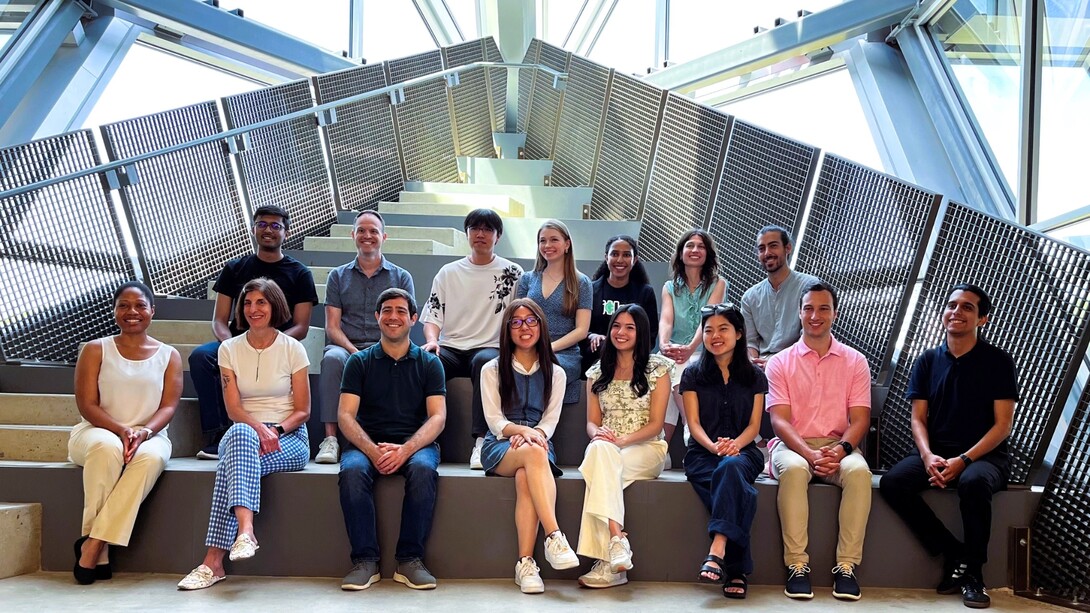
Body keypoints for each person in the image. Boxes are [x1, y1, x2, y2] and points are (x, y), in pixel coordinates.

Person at [879, 284, 1017, 609]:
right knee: (893, 482)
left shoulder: (998, 361)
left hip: (985, 457)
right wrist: (927, 456)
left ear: (982, 319)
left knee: (972, 482)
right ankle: (953, 551)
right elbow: (918, 419)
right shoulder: (927, 360)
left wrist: (964, 459)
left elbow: (1003, 426)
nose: (956, 312)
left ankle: (974, 574)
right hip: (936, 452)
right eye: (952, 305)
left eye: (967, 307)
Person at [178, 278, 311, 590]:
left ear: (275, 306)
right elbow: (234, 408)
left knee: (231, 467)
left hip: (289, 437)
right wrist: (258, 429)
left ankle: (213, 562)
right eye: (248, 303)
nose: (253, 309)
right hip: (245, 432)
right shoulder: (228, 349)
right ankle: (245, 531)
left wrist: (274, 430)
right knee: (240, 435)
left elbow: (303, 410)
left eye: (261, 303)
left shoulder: (293, 349)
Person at [69, 281, 183, 585]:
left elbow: (169, 407)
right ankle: (101, 552)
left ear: (152, 311)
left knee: (148, 460)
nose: (132, 312)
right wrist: (122, 431)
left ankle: (93, 544)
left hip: (151, 436)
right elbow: (86, 404)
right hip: (95, 432)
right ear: (114, 310)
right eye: (124, 305)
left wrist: (143, 432)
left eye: (140, 305)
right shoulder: (95, 349)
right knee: (107, 449)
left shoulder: (169, 355)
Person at [765, 280, 872, 601]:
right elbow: (779, 420)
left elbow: (860, 419)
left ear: (834, 314)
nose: (815, 315)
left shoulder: (856, 361)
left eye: (823, 308)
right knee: (796, 470)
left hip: (840, 445)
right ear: (799, 313)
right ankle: (797, 565)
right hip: (792, 446)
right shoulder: (780, 361)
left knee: (859, 473)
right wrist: (810, 455)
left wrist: (839, 450)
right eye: (809, 308)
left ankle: (846, 566)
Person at [337, 288, 446, 591]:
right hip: (367, 442)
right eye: (387, 310)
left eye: (401, 311)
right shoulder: (359, 362)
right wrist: (373, 451)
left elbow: (437, 416)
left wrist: (406, 449)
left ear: (413, 318)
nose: (393, 316)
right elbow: (345, 415)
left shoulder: (429, 363)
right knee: (352, 471)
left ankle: (410, 560)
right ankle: (365, 561)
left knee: (423, 469)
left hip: (416, 444)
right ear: (377, 317)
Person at [190, 205, 318, 459]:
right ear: (253, 229)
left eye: (275, 226)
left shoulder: (300, 273)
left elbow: (301, 327)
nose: (268, 230)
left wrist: (270, 345)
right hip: (237, 341)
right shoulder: (235, 268)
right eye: (261, 224)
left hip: (279, 345)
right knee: (200, 357)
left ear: (286, 233)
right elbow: (219, 321)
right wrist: (236, 347)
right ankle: (218, 434)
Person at [479, 298, 578, 594]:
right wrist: (522, 431)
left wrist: (535, 434)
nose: (525, 327)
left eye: (532, 320)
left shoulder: (556, 373)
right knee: (534, 454)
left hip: (538, 443)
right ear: (507, 329)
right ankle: (554, 535)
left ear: (542, 326)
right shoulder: (491, 369)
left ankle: (525, 564)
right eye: (517, 322)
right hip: (499, 446)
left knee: (527, 473)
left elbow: (550, 421)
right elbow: (495, 420)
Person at [420, 208, 523, 470]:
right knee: (429, 363)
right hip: (451, 347)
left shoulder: (512, 273)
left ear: (497, 237)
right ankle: (426, 439)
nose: (480, 234)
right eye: (475, 228)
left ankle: (480, 442)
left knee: (484, 363)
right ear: (467, 233)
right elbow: (433, 315)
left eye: (488, 229)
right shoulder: (448, 272)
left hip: (489, 347)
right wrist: (433, 340)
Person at [577, 304, 671, 589]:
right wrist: (601, 434)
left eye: (630, 327)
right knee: (599, 452)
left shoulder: (659, 368)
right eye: (617, 326)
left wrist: (621, 441)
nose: (621, 332)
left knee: (601, 467)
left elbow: (657, 424)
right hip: (608, 447)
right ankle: (617, 543)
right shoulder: (596, 372)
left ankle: (608, 561)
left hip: (647, 447)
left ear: (641, 332)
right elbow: (591, 424)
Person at [682, 303, 766, 599]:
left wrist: (735, 446)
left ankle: (717, 547)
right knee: (732, 483)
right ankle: (737, 569)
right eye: (708, 330)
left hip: (744, 452)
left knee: (731, 469)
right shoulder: (692, 374)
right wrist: (716, 446)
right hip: (702, 454)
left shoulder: (755, 377)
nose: (715, 336)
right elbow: (693, 424)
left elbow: (755, 427)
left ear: (739, 334)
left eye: (723, 329)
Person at [317, 211, 415, 464]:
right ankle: (331, 439)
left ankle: (403, 438)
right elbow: (332, 327)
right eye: (361, 230)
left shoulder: (402, 277)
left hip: (387, 345)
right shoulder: (337, 276)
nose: (367, 236)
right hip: (346, 346)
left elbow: (404, 322)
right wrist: (354, 352)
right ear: (353, 235)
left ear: (384, 236)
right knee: (332, 359)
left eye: (373, 231)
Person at [658, 229, 727, 453]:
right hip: (677, 350)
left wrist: (690, 348)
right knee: (664, 366)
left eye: (700, 246)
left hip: (705, 349)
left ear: (708, 254)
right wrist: (664, 344)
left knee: (676, 367)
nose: (695, 250)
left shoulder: (718, 284)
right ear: (680, 253)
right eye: (689, 245)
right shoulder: (669, 287)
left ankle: (688, 429)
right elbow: (666, 318)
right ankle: (662, 448)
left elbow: (707, 320)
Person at [516, 219, 592, 404]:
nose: (547, 245)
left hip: (563, 353)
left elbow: (581, 330)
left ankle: (533, 428)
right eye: (542, 241)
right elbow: (516, 321)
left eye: (554, 240)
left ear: (567, 244)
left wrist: (547, 349)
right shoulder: (527, 279)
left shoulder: (582, 282)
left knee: (543, 370)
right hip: (527, 348)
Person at [740, 225, 820, 368]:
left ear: (788, 248)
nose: (767, 253)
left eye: (773, 246)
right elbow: (750, 342)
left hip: (799, 363)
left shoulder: (810, 286)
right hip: (761, 367)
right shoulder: (749, 297)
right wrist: (752, 363)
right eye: (761, 249)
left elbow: (810, 336)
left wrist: (776, 362)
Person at [580, 235, 659, 376]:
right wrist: (591, 336)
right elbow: (578, 328)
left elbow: (649, 336)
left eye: (627, 255)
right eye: (614, 254)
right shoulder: (590, 291)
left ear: (635, 260)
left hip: (632, 365)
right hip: (593, 362)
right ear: (606, 258)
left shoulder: (645, 293)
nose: (620, 260)